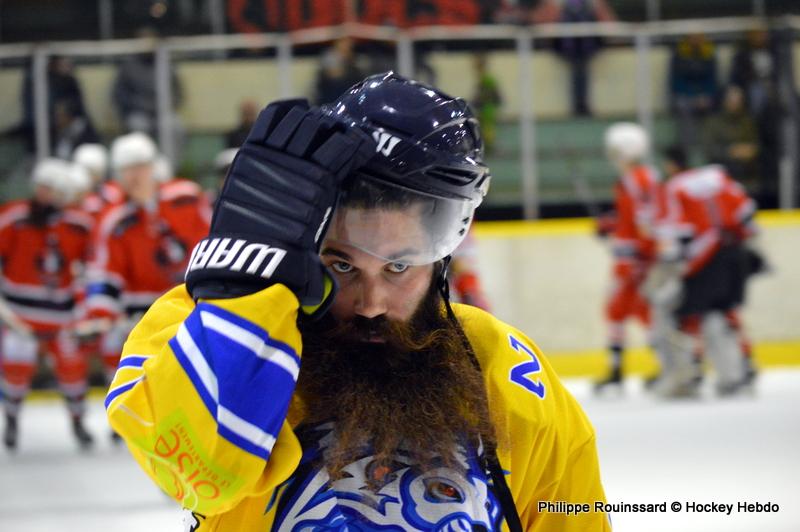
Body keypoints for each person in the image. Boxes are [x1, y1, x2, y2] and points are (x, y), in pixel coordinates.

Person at [105, 73, 611, 530]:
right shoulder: (205, 322)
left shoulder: (507, 370)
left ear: (440, 261)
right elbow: (198, 475)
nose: (371, 305)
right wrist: (241, 293)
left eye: (399, 267)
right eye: (342, 265)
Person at [81, 132, 209, 389]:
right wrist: (100, 315)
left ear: (154, 166)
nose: (134, 176)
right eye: (127, 170)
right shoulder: (115, 220)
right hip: (141, 315)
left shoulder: (187, 198)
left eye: (140, 167)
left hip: (191, 303)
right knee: (137, 378)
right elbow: (105, 274)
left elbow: (214, 241)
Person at [0, 158, 94, 450]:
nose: (43, 194)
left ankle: (78, 422)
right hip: (20, 315)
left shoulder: (79, 225)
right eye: (41, 187)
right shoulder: (15, 217)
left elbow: (91, 267)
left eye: (50, 189)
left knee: (73, 371)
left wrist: (84, 306)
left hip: (61, 316)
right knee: (16, 370)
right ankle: (11, 420)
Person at [653, 146, 758, 396]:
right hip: (735, 254)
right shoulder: (717, 177)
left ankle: (690, 373)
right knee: (724, 311)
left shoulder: (676, 187)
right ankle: (741, 367)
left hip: (704, 261)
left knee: (681, 313)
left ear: (671, 165)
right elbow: (746, 215)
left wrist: (673, 260)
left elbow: (677, 233)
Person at [595, 122, 660, 392]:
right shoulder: (642, 177)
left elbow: (646, 220)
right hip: (634, 257)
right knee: (622, 310)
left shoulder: (637, 180)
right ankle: (619, 368)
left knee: (634, 311)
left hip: (633, 260)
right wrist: (613, 223)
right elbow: (635, 218)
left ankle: (622, 368)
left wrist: (641, 254)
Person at [668, 33, 718, 162]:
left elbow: (712, 80)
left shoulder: (709, 53)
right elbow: (676, 81)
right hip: (686, 95)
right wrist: (692, 95)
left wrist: (704, 95)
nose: (695, 39)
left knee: (711, 108)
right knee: (683, 105)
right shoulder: (680, 54)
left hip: (704, 95)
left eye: (698, 35)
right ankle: (686, 152)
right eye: (693, 36)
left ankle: (708, 153)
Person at [703, 85, 760, 190]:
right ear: (725, 101)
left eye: (738, 101)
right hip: (721, 172)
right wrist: (731, 151)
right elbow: (709, 149)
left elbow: (755, 144)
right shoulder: (713, 122)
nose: (735, 104)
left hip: (746, 171)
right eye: (732, 100)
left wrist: (751, 150)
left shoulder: (747, 122)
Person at [471, 54, 503, 156]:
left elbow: (489, 93)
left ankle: (490, 148)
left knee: (487, 128)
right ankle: (488, 147)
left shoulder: (487, 79)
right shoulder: (484, 78)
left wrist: (477, 99)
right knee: (485, 127)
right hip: (485, 108)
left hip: (487, 108)